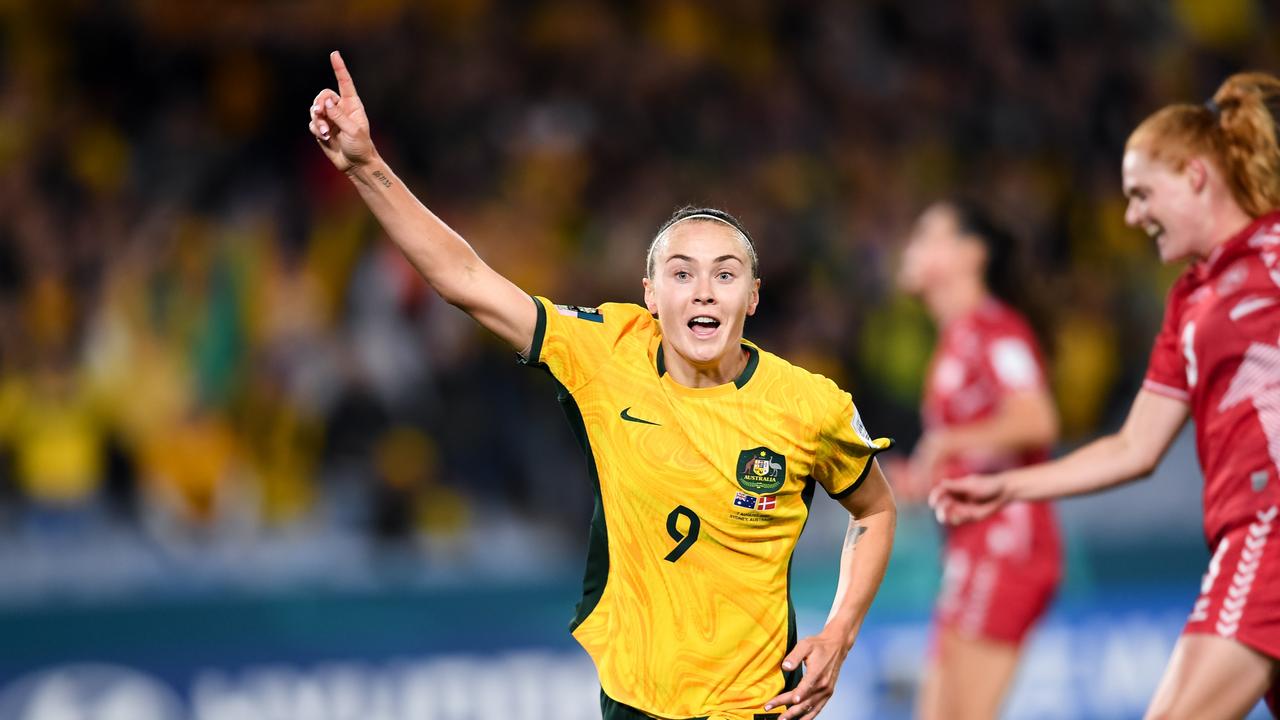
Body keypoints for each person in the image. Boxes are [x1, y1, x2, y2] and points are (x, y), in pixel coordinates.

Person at [308, 51, 897, 720]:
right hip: (633, 706)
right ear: (649, 294)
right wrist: (365, 168)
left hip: (756, 709)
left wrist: (841, 632)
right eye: (681, 273)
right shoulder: (605, 351)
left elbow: (875, 510)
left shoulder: (810, 405)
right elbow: (467, 280)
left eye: (725, 275)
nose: (703, 290)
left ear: (753, 297)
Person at [930, 72, 1280, 719]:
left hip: (1269, 528)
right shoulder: (1188, 301)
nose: (1131, 216)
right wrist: (1011, 486)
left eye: (1143, 194)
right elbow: (1133, 446)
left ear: (1196, 176)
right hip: (1239, 531)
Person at [893, 200, 1062, 719]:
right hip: (972, 546)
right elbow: (987, 452)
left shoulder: (996, 330)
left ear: (971, 254)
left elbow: (1038, 421)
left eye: (928, 234)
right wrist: (929, 478)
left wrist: (946, 444)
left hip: (1006, 543)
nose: (912, 246)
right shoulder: (957, 339)